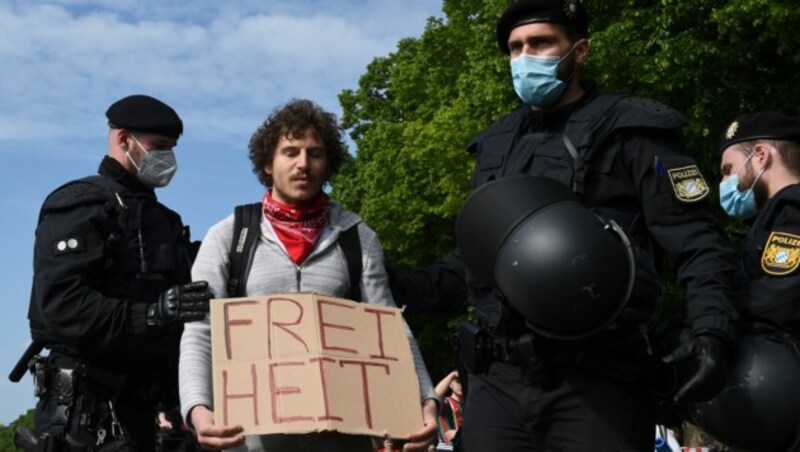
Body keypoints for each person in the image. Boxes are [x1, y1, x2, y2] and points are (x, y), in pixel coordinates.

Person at [450, 0, 739, 450]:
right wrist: (386, 281)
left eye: (541, 43)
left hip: (599, 379)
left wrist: (712, 331)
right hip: (498, 384)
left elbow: (697, 241)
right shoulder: (494, 145)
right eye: (515, 48)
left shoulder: (634, 129)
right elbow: (472, 262)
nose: (526, 57)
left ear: (579, 51)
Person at [178, 99, 439, 451]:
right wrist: (197, 408)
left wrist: (424, 400)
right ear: (268, 163)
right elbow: (199, 329)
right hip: (250, 437)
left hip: (342, 437)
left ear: (328, 163)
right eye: (290, 152)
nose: (303, 164)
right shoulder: (227, 237)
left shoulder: (359, 238)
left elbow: (391, 330)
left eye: (315, 153)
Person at [25, 94, 212, 450]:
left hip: (148, 413)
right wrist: (153, 315)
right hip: (85, 415)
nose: (168, 159)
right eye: (159, 147)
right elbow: (64, 308)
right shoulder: (80, 205)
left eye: (171, 149)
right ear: (124, 140)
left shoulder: (164, 222)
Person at [434, 371, 463, 449]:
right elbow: (435, 395)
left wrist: (459, 434)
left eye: (463, 381)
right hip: (446, 447)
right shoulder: (446, 402)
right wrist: (452, 374)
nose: (461, 385)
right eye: (458, 382)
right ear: (450, 385)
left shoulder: (470, 405)